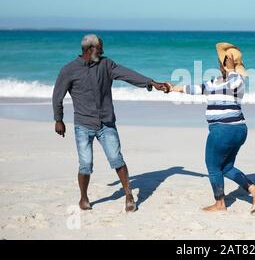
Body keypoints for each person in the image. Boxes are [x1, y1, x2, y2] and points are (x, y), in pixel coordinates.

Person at [52, 34, 169, 212]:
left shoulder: (106, 64)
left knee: (116, 159)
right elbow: (57, 96)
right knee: (86, 164)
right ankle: (83, 197)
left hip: (106, 122)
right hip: (83, 124)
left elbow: (127, 74)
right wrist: (58, 119)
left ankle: (128, 195)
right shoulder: (69, 70)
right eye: (100, 49)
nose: (103, 51)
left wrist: (150, 82)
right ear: (89, 49)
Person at [167, 42, 255, 213]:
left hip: (224, 130)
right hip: (236, 130)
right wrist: (173, 88)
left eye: (226, 60)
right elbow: (195, 89)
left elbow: (234, 84)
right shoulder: (214, 82)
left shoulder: (237, 79)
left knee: (212, 166)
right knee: (226, 167)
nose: (222, 62)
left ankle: (220, 204)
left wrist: (232, 67)